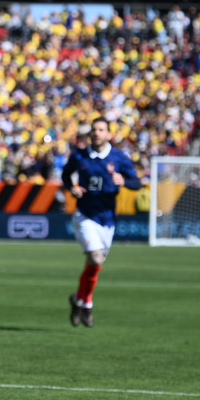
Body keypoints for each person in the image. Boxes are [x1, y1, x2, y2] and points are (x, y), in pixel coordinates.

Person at [62, 118, 142, 328]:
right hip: (85, 215)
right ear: (90, 134)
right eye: (94, 129)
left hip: (107, 220)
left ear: (108, 135)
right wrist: (72, 187)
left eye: (101, 129)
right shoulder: (80, 155)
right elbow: (65, 174)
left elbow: (137, 183)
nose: (97, 133)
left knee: (93, 266)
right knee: (96, 260)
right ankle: (86, 305)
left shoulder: (118, 157)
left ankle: (80, 301)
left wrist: (124, 181)